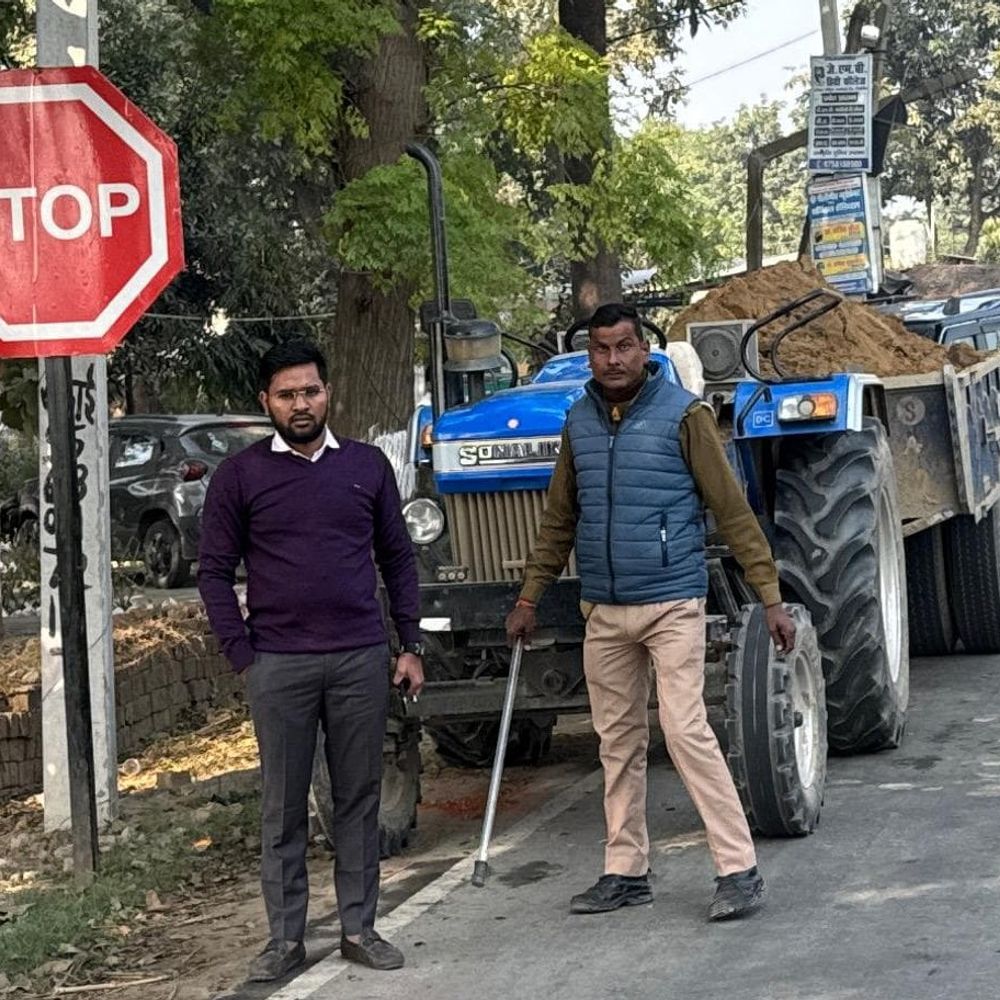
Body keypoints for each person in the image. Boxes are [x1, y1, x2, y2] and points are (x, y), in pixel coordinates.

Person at [505, 303, 795, 922]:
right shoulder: (578, 421)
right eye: (601, 349)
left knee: (686, 731)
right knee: (617, 742)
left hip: (671, 601)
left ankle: (738, 868)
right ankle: (625, 871)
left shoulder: (684, 415)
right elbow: (559, 519)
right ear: (588, 355)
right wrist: (530, 596)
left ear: (645, 350)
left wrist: (769, 597)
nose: (614, 359)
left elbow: (733, 509)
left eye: (625, 346)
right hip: (605, 610)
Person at [198, 340, 424, 980]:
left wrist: (408, 644)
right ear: (266, 401)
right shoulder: (240, 476)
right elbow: (213, 572)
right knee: (283, 805)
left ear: (329, 394)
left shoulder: (367, 466)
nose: (302, 404)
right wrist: (243, 654)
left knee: (358, 799)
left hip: (360, 659)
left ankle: (360, 930)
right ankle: (285, 942)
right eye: (288, 394)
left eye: (312, 391)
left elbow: (398, 559)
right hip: (278, 665)